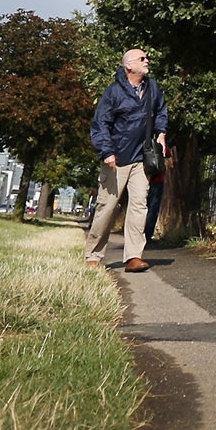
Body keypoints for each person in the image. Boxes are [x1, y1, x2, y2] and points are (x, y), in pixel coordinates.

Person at [85, 47, 167, 271]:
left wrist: (161, 133)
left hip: (142, 159)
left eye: (147, 57)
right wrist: (106, 152)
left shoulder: (152, 87)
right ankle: (93, 254)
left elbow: (161, 110)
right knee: (107, 207)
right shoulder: (113, 92)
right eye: (142, 58)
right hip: (117, 159)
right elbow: (100, 124)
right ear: (129, 66)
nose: (147, 60)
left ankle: (133, 257)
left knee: (139, 205)